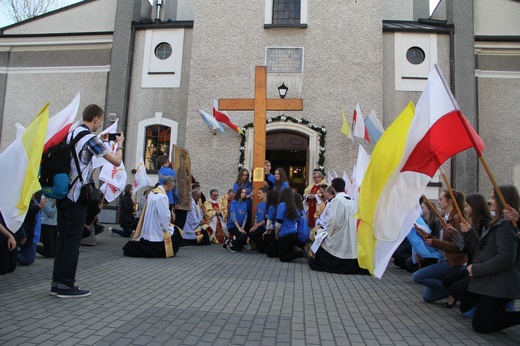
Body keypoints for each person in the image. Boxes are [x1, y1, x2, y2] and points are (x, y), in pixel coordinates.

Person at [52, 104, 124, 298]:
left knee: (63, 239)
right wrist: (120, 145)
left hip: (63, 193)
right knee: (73, 241)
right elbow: (116, 161)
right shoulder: (90, 138)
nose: (100, 125)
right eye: (100, 121)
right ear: (95, 119)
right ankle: (67, 285)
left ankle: (57, 283)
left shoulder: (71, 134)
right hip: (77, 196)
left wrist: (100, 140)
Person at [458, 184, 520, 333]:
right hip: (493, 279)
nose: (490, 201)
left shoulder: (506, 226)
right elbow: (484, 248)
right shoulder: (499, 223)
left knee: (480, 325)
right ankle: (498, 311)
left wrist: (477, 269)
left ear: (503, 201)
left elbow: (505, 258)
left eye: (493, 197)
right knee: (458, 290)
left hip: (502, 283)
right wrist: (470, 233)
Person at [412, 190, 467, 303]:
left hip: (452, 261)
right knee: (428, 297)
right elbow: (442, 241)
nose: (438, 202)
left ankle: (455, 290)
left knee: (417, 276)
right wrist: (428, 236)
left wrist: (435, 242)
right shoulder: (446, 217)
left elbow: (459, 246)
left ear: (449, 201)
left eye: (441, 199)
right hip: (443, 258)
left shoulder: (456, 218)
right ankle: (451, 289)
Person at [442, 193, 493, 310]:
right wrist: (456, 234)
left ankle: (486, 302)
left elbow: (481, 249)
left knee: (464, 306)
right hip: (471, 267)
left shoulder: (486, 225)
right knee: (450, 285)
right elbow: (466, 248)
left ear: (475, 207)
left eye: (467, 206)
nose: (464, 209)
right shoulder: (474, 225)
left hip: (480, 269)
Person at [308, 178, 368, 274]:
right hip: (350, 232)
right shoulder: (350, 200)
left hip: (340, 232)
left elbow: (334, 221)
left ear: (333, 188)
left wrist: (327, 232)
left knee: (321, 240)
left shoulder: (337, 201)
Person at [122, 177, 182, 257]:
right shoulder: (162, 197)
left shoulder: (152, 193)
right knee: (176, 231)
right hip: (156, 226)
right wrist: (166, 227)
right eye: (172, 187)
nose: (172, 189)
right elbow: (164, 215)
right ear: (170, 185)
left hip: (149, 224)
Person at [275, 187, 303, 262]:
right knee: (288, 252)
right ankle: (299, 251)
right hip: (293, 233)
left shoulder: (282, 205)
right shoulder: (294, 206)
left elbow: (278, 221)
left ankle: (302, 253)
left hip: (284, 234)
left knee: (283, 257)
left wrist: (276, 233)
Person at [17, 193, 43, 266]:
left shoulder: (33, 202)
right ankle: (9, 254)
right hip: (27, 235)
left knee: (30, 258)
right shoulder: (26, 202)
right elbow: (25, 218)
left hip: (31, 235)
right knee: (28, 260)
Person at [225, 187, 248, 253]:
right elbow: (233, 216)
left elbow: (245, 216)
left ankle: (229, 241)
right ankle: (230, 242)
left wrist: (242, 227)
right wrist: (239, 228)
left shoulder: (244, 203)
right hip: (232, 225)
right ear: (238, 193)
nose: (244, 194)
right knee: (243, 235)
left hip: (240, 226)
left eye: (245, 193)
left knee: (239, 248)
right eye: (242, 192)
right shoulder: (234, 202)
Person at [248, 187, 268, 253]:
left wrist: (257, 226)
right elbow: (256, 216)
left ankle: (264, 246)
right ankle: (261, 247)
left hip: (263, 225)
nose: (258, 195)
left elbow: (266, 218)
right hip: (258, 224)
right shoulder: (259, 204)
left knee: (252, 234)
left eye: (260, 193)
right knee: (251, 233)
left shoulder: (268, 204)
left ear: (265, 194)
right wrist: (254, 225)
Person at [263, 189, 280, 258]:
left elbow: (269, 220)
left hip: (274, 228)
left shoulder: (271, 207)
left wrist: (267, 231)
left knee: (269, 252)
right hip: (278, 228)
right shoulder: (279, 205)